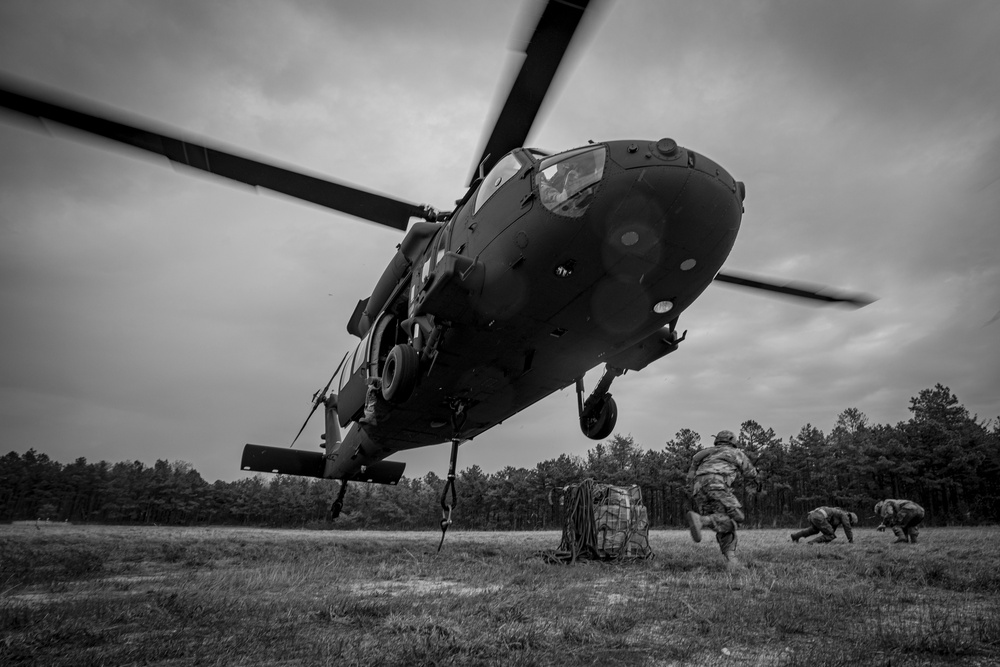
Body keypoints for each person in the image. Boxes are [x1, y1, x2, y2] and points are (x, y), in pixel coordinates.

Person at [685, 430, 759, 567]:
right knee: (738, 517)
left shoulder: (708, 453)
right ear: (732, 441)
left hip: (698, 488)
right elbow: (750, 472)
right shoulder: (734, 452)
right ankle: (701, 521)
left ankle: (732, 562)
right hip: (716, 484)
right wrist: (756, 477)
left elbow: (693, 470)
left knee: (723, 521)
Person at [790, 507, 857, 544]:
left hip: (812, 515)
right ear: (850, 518)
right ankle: (812, 543)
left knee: (814, 530)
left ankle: (795, 536)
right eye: (851, 523)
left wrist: (827, 541)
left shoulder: (838, 514)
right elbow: (847, 528)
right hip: (819, 516)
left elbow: (831, 529)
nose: (849, 523)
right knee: (831, 535)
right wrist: (851, 540)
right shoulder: (844, 515)